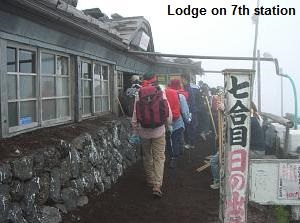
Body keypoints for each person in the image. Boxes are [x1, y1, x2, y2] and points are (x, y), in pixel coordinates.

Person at [131, 72, 172, 198]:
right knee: (159, 157)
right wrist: (167, 125)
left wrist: (136, 128)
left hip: (144, 131)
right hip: (159, 130)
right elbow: (167, 112)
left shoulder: (140, 92)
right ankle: (157, 185)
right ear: (154, 79)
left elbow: (135, 113)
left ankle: (150, 180)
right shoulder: (160, 90)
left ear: (144, 79)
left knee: (147, 156)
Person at [165, 79, 191, 168]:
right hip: (178, 122)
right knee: (176, 139)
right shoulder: (180, 96)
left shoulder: (163, 94)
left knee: (172, 141)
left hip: (167, 123)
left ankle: (175, 156)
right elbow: (184, 111)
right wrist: (188, 120)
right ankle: (176, 156)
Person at [182, 74, 201, 149]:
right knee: (191, 127)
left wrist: (189, 112)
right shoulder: (188, 87)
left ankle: (191, 144)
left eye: (182, 79)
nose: (181, 81)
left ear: (185, 79)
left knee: (190, 127)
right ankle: (191, 143)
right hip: (192, 110)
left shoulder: (188, 89)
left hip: (191, 111)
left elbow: (191, 101)